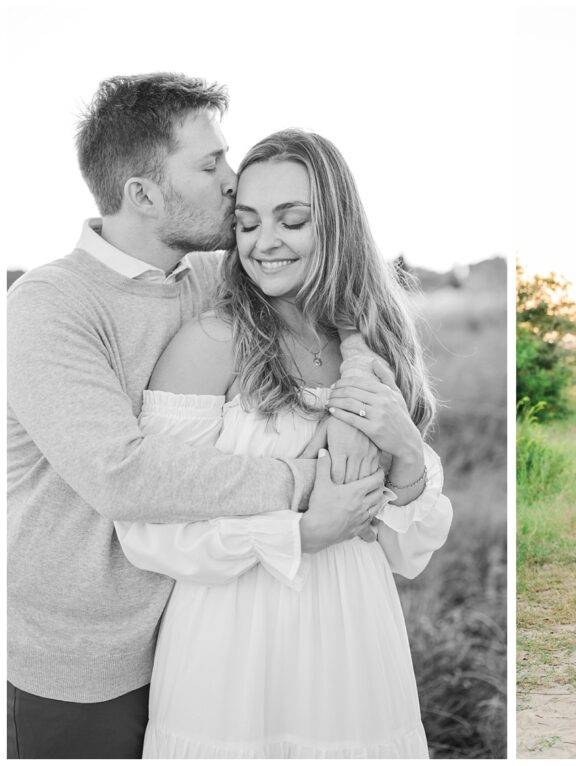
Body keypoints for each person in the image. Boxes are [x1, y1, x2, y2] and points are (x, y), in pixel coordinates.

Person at [6, 73, 371, 759]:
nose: (234, 182)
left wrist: (355, 389)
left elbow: (331, 301)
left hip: (200, 632)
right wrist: (299, 482)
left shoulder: (211, 277)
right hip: (85, 660)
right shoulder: (48, 304)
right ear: (143, 193)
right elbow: (122, 472)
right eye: (211, 165)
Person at [114, 128, 453, 758]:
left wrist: (405, 448)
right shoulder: (210, 344)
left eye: (291, 220)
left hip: (356, 643)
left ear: (337, 225)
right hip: (232, 653)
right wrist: (297, 533)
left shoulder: (374, 345)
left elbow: (408, 553)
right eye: (246, 223)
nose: (264, 243)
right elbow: (146, 531)